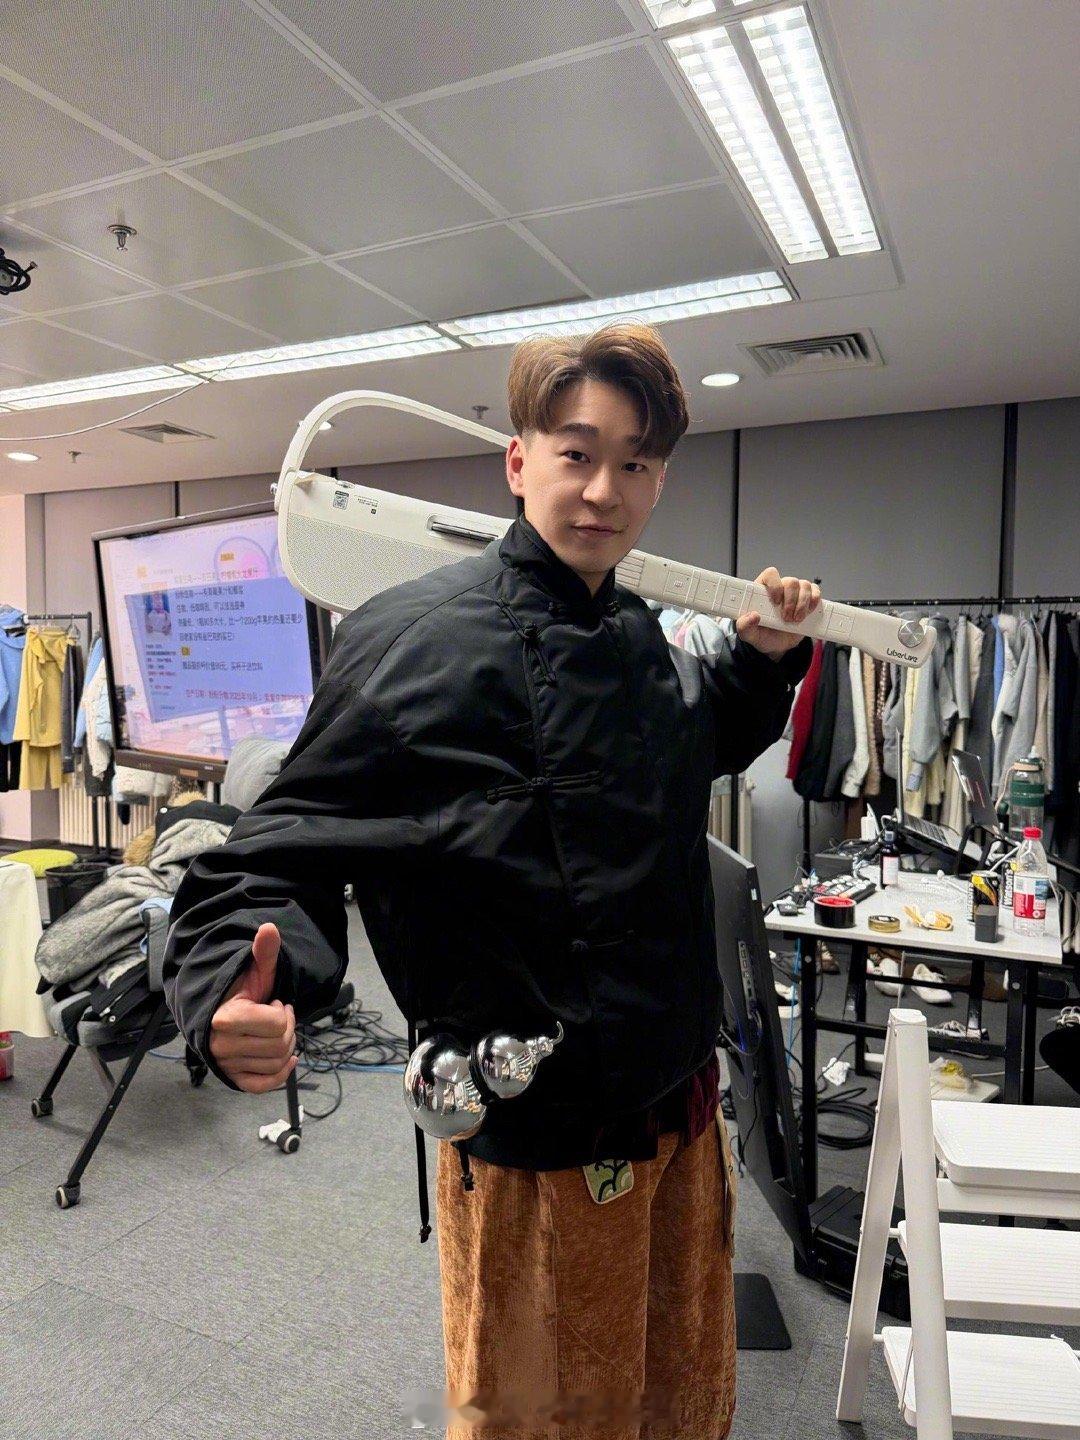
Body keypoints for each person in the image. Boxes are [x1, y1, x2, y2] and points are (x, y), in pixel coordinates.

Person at [161, 322, 817, 1439]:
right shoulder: (414, 643)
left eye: (635, 463)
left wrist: (761, 667)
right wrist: (231, 979)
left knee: (681, 1397)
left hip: (678, 1100)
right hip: (536, 1134)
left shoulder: (637, 634)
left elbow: (688, 749)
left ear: (659, 480)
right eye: (578, 453)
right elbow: (277, 850)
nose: (604, 490)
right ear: (519, 461)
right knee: (543, 1415)